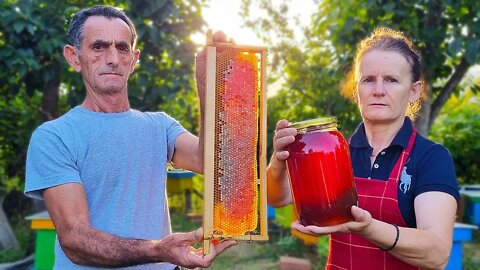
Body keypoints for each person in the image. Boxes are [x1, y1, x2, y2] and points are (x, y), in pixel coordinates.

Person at [24, 5, 236, 270]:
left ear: (133, 59)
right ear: (74, 57)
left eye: (122, 48)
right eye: (98, 47)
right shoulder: (54, 137)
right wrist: (158, 250)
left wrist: (209, 88)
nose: (112, 58)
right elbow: (75, 239)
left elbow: (210, 162)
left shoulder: (160, 126)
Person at [267, 27, 459, 270]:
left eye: (391, 80)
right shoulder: (334, 151)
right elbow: (278, 198)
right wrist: (278, 162)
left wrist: (368, 228)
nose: (378, 90)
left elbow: (437, 253)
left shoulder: (431, 158)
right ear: (356, 92)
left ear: (413, 91)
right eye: (368, 80)